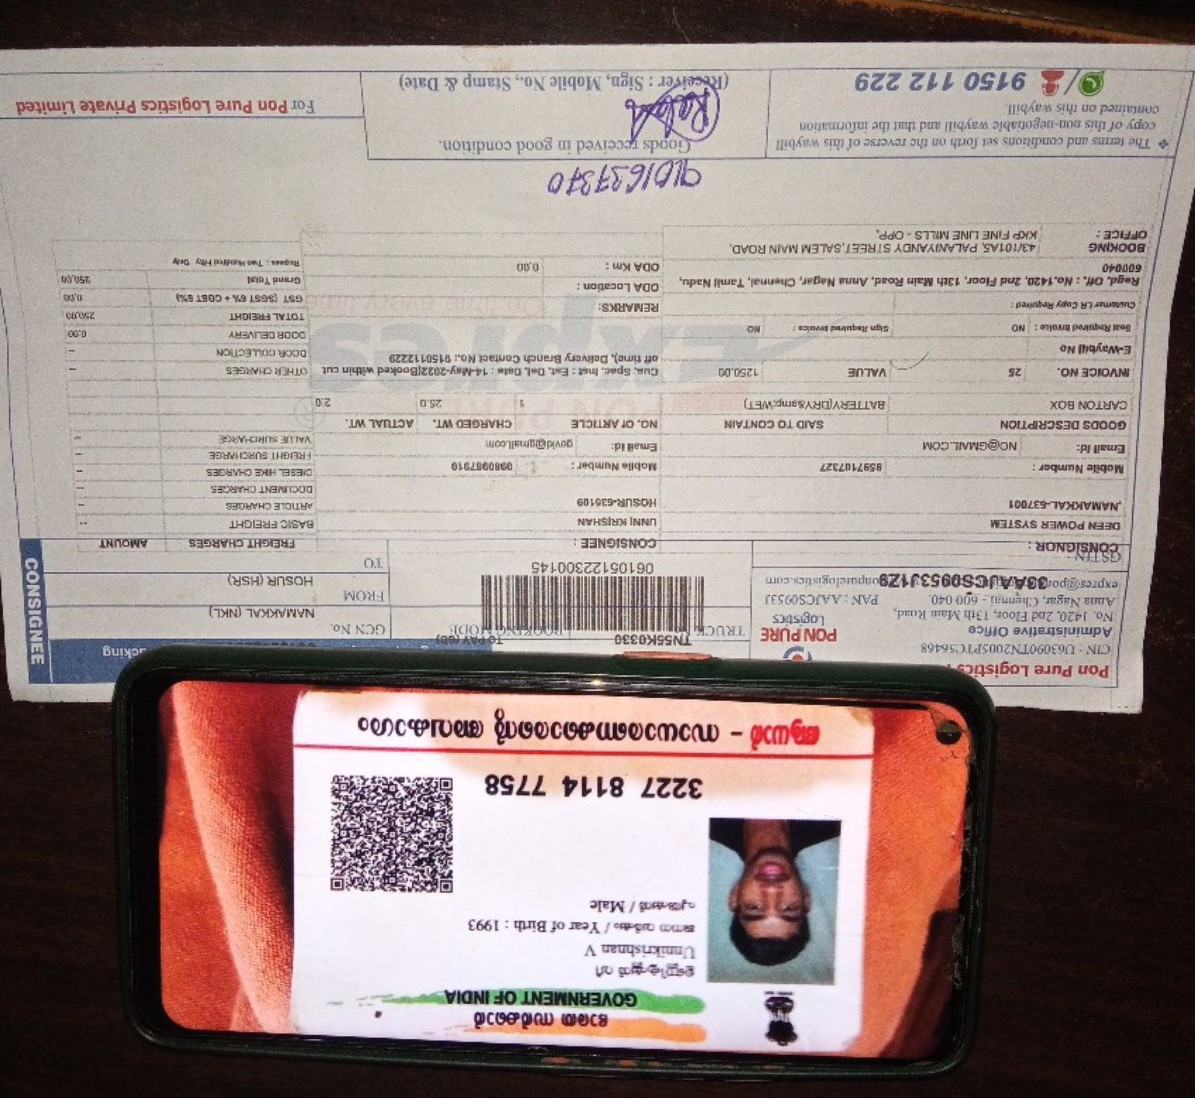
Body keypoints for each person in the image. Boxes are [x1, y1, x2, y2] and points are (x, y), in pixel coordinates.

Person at [710, 818, 840, 966]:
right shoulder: (838, 820)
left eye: (754, 907)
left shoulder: (701, 819)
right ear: (805, 897)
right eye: (788, 908)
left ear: (735, 896)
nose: (772, 889)